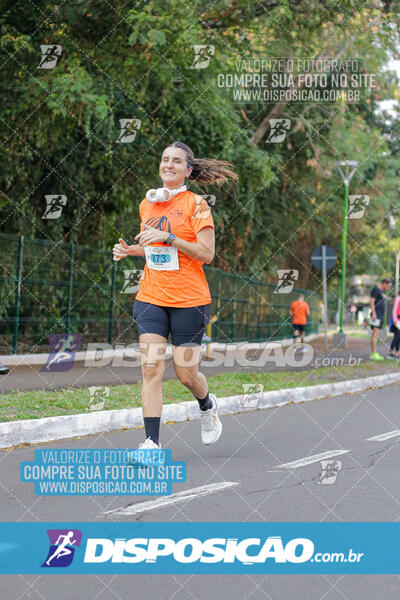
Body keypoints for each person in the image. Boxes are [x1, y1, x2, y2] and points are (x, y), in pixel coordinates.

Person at [113, 141, 238, 449]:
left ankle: (207, 404)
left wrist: (168, 236)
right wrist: (135, 250)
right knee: (151, 368)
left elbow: (206, 253)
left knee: (186, 375)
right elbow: (157, 249)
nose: (168, 164)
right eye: (165, 159)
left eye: (176, 161)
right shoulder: (148, 204)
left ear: (188, 169)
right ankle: (151, 444)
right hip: (151, 297)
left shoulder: (197, 205)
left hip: (189, 302)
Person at [370, 278, 392, 360]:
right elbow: (372, 301)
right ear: (384, 283)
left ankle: (375, 352)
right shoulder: (376, 289)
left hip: (380, 315)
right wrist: (373, 313)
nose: (389, 288)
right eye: (388, 286)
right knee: (375, 334)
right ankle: (373, 353)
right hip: (376, 315)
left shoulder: (381, 291)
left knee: (376, 334)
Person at [387, 290, 400, 359]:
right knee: (396, 337)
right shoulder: (398, 298)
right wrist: (395, 321)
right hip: (397, 320)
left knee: (399, 337)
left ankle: (397, 353)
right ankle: (390, 352)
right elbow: (394, 310)